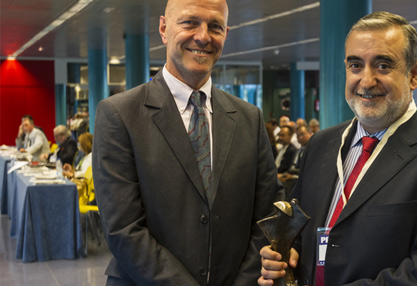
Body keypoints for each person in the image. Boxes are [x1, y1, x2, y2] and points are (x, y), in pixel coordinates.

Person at [259, 11, 417, 285]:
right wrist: (284, 253)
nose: (366, 81)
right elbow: (298, 228)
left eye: (383, 66)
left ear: (414, 75)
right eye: (355, 65)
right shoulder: (321, 144)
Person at [92, 0, 283, 284]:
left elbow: (267, 213)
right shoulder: (119, 114)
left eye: (215, 26)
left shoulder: (248, 117)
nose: (203, 36)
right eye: (190, 22)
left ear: (226, 34)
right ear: (164, 28)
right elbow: (123, 229)